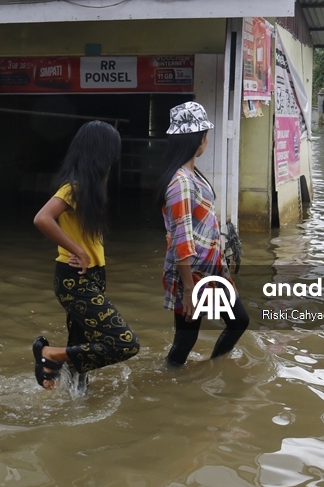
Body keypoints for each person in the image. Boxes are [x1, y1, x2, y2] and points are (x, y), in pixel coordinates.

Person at [32, 121, 140, 389]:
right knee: (125, 342)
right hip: (74, 278)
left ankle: (69, 397)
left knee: (82, 346)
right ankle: (50, 354)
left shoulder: (92, 189)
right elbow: (42, 218)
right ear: (100, 154)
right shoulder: (73, 187)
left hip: (92, 276)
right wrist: (77, 250)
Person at [156, 102, 249, 366]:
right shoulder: (181, 183)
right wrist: (188, 290)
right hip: (193, 275)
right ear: (197, 139)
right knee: (186, 340)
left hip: (210, 270)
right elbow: (182, 239)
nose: (206, 139)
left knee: (237, 321)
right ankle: (169, 382)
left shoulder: (190, 173)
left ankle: (212, 369)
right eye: (204, 134)